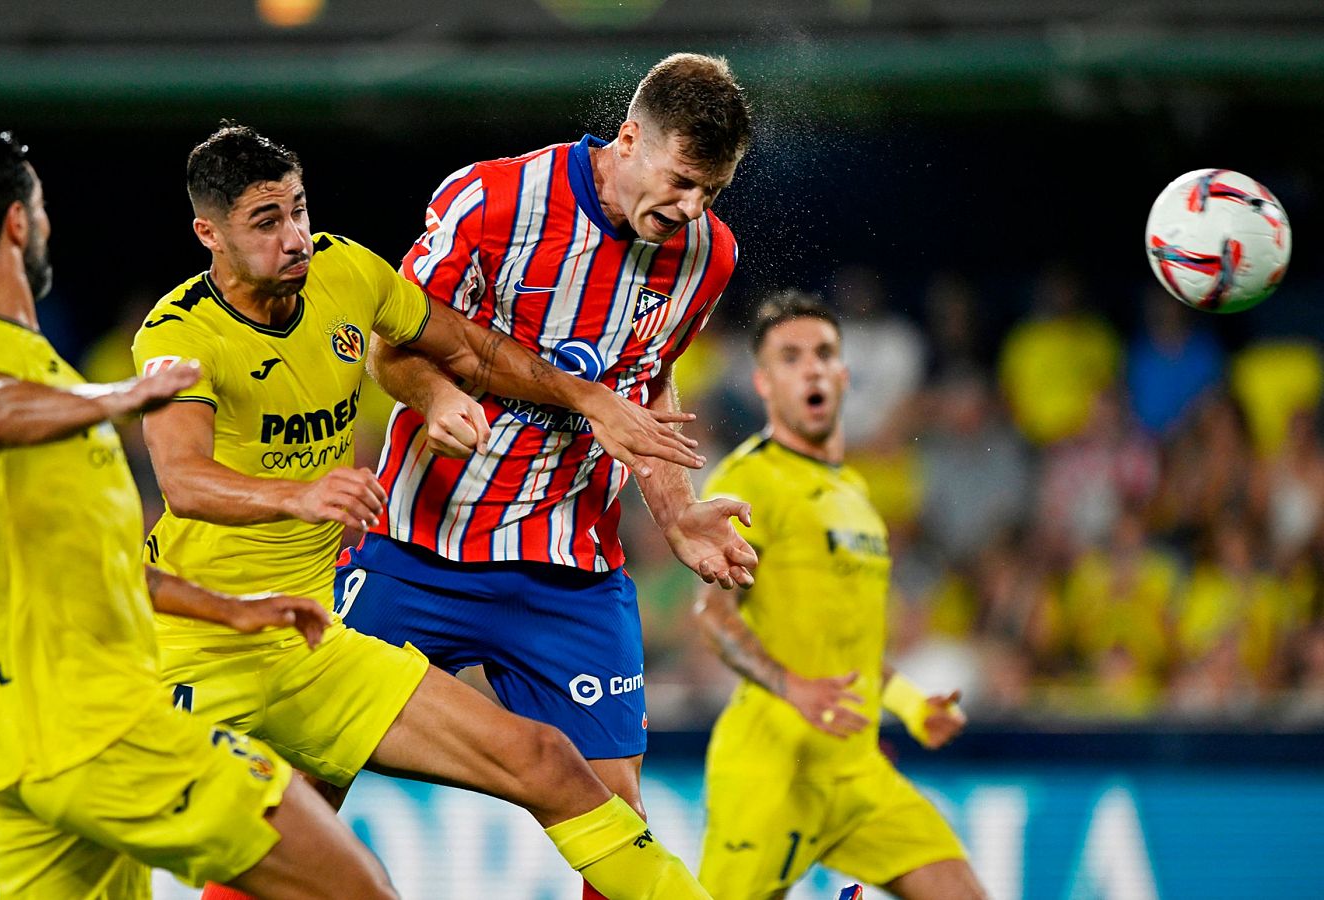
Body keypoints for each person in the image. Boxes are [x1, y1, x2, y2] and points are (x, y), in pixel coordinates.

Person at [135, 122, 711, 900]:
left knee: (547, 765)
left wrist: (584, 398)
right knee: (224, 860)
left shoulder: (347, 272)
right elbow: (184, 481)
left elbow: (466, 348)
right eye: (266, 223)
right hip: (198, 648)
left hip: (312, 650)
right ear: (208, 232)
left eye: (299, 210)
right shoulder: (179, 335)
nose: (296, 236)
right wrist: (297, 495)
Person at [0, 126, 395, 898]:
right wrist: (121, 397)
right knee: (356, 888)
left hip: (20, 749)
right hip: (102, 728)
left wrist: (231, 612)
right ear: (18, 224)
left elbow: (103, 565)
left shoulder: (30, 365)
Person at [337, 54, 758, 899]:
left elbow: (649, 377)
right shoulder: (491, 201)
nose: (689, 209)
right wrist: (434, 396)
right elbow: (393, 349)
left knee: (613, 816)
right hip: (418, 549)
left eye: (710, 192)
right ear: (629, 138)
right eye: (680, 181)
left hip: (568, 571)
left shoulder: (706, 256)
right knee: (300, 783)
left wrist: (675, 513)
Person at [693, 292, 988, 899]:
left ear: (845, 375)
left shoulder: (857, 494)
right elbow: (713, 616)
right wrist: (792, 686)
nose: (812, 368)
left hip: (856, 771)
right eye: (790, 357)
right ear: (764, 384)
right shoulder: (749, 482)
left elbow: (850, 641)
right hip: (772, 769)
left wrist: (910, 704)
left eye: (824, 353)